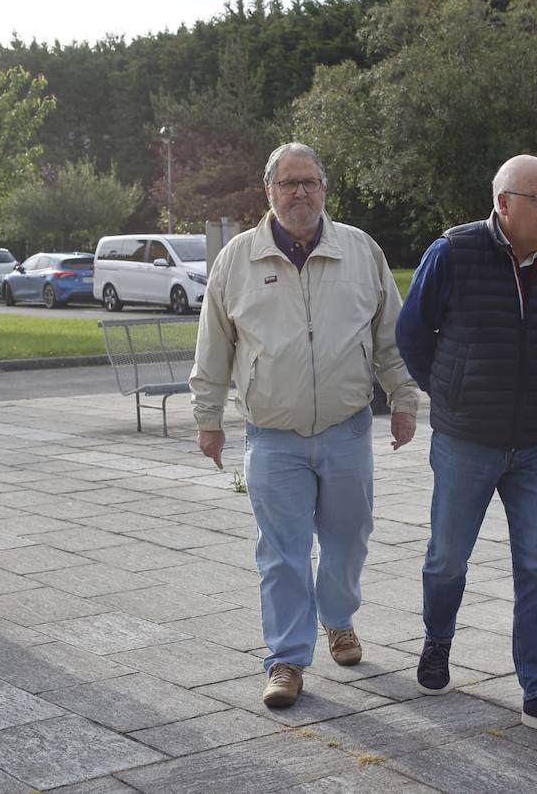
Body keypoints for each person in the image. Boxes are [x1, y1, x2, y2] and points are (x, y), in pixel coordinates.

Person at [190, 142, 418, 708]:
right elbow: (214, 346)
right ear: (268, 192)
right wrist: (208, 418)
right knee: (281, 551)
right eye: (288, 183)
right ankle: (287, 659)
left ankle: (337, 618)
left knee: (349, 540)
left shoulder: (360, 251)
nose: (300, 193)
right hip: (272, 435)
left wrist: (404, 396)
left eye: (309, 182)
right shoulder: (237, 259)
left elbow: (391, 333)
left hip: (346, 429)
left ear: (324, 189)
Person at [396, 155, 537, 743]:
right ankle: (438, 640)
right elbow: (411, 332)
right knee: (447, 559)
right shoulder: (453, 252)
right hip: (466, 440)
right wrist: (450, 394)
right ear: (504, 204)